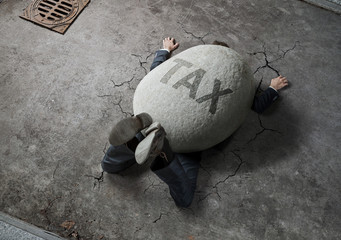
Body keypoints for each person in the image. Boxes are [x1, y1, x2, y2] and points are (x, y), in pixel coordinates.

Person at [102, 38, 289, 208]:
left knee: (108, 166)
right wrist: (272, 88)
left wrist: (164, 50)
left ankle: (135, 139)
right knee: (184, 200)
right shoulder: (238, 81)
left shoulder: (191, 61)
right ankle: (166, 155)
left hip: (155, 117)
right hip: (191, 144)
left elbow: (156, 71)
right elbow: (256, 106)